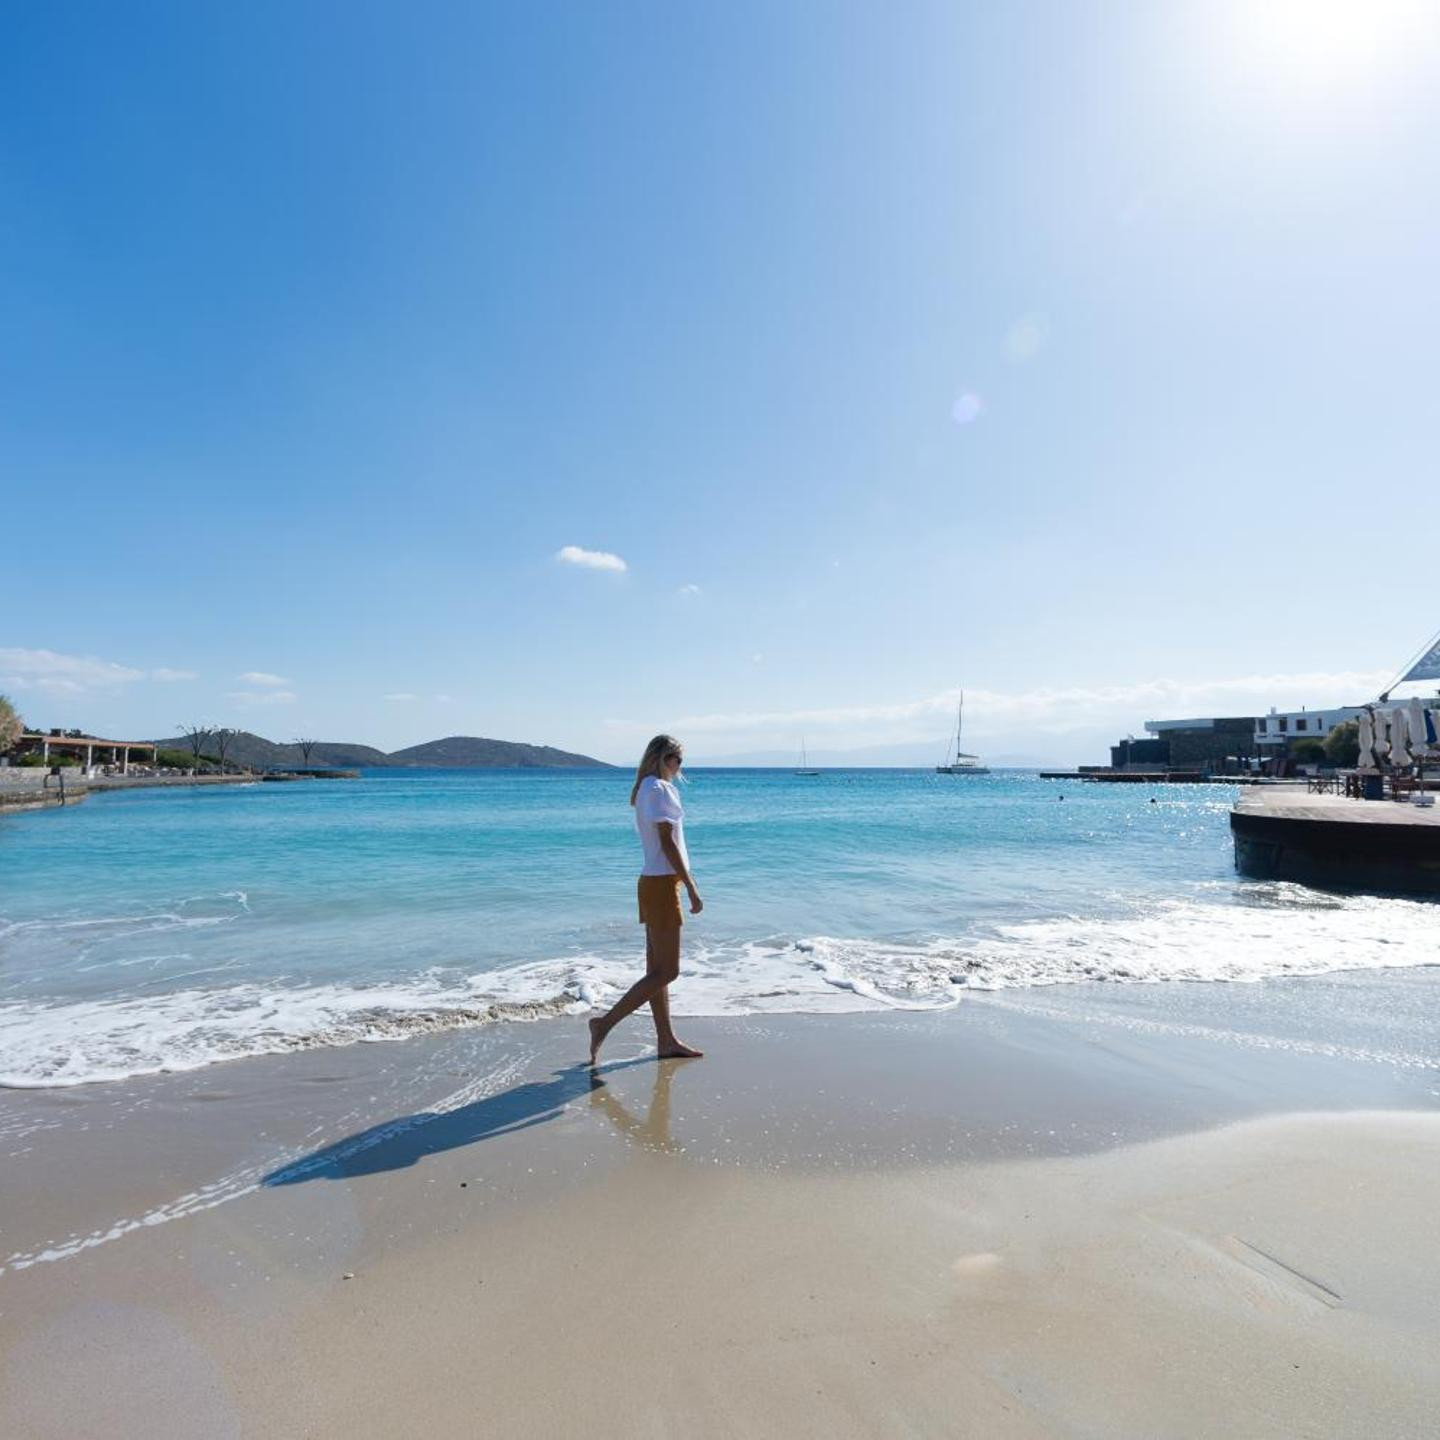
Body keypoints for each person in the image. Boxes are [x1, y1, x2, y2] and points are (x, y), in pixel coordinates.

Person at [588, 734, 704, 1064]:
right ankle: (604, 1024)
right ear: (662, 758)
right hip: (663, 884)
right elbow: (667, 843)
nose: (680, 767)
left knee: (657, 970)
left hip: (653, 882)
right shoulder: (659, 789)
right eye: (677, 759)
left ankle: (666, 1040)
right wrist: (691, 885)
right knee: (667, 971)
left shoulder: (645, 789)